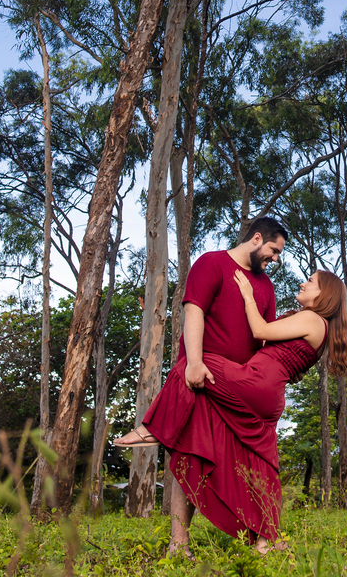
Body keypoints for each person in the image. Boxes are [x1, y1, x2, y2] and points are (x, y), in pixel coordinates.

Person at [115, 268, 347, 555]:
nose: (304, 283)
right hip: (268, 395)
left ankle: (154, 428)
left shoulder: (313, 318)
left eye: (311, 281)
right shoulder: (321, 329)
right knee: (259, 463)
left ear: (324, 293)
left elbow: (260, 331)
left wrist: (249, 297)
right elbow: (270, 345)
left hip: (254, 381)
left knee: (191, 364)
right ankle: (266, 540)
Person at [114, 218, 289, 554]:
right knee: (189, 456)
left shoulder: (265, 287)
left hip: (236, 390)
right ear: (256, 239)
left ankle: (259, 535)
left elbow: (264, 337)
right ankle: (178, 544)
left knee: (246, 464)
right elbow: (194, 311)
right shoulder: (211, 263)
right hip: (200, 380)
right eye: (273, 250)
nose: (275, 258)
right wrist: (194, 362)